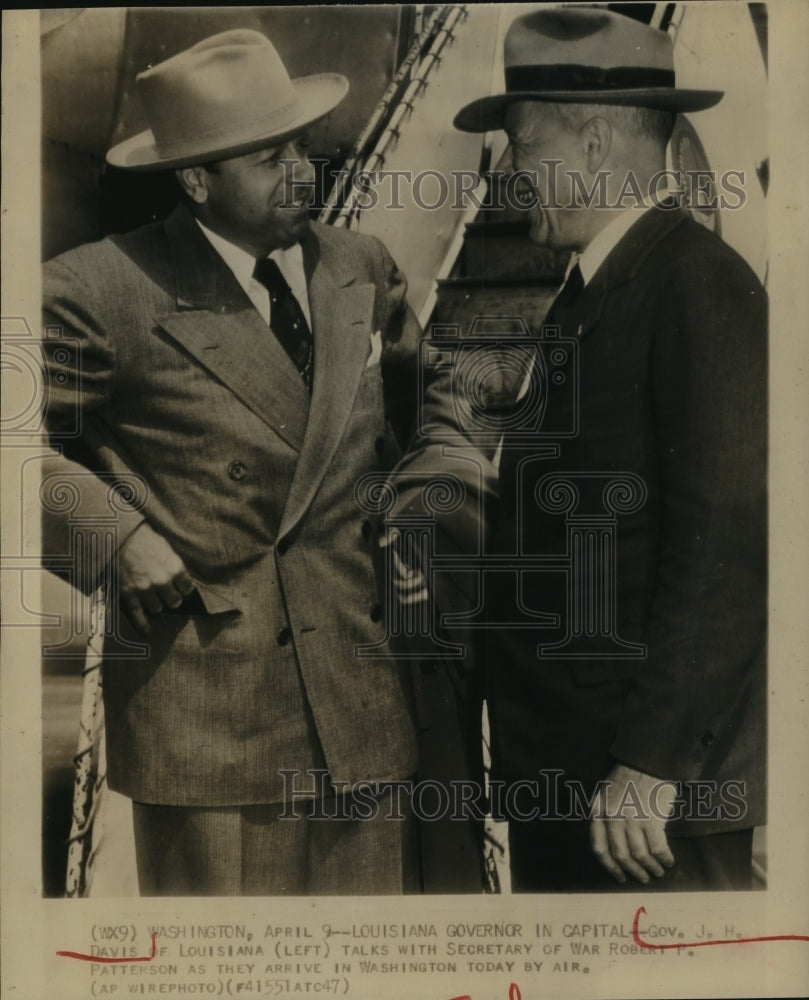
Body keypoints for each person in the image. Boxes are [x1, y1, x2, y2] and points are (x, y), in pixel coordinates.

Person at [41, 28, 433, 896]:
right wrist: (111, 534)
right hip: (211, 725)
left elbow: (425, 416)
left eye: (302, 145)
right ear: (195, 180)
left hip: (360, 711)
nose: (302, 172)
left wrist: (416, 511)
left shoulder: (358, 264)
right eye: (268, 157)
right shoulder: (101, 289)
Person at [452, 8, 766, 891]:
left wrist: (652, 765)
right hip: (581, 779)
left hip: (639, 806)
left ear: (591, 144)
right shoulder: (602, 288)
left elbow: (730, 551)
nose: (508, 177)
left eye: (520, 147)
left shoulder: (698, 288)